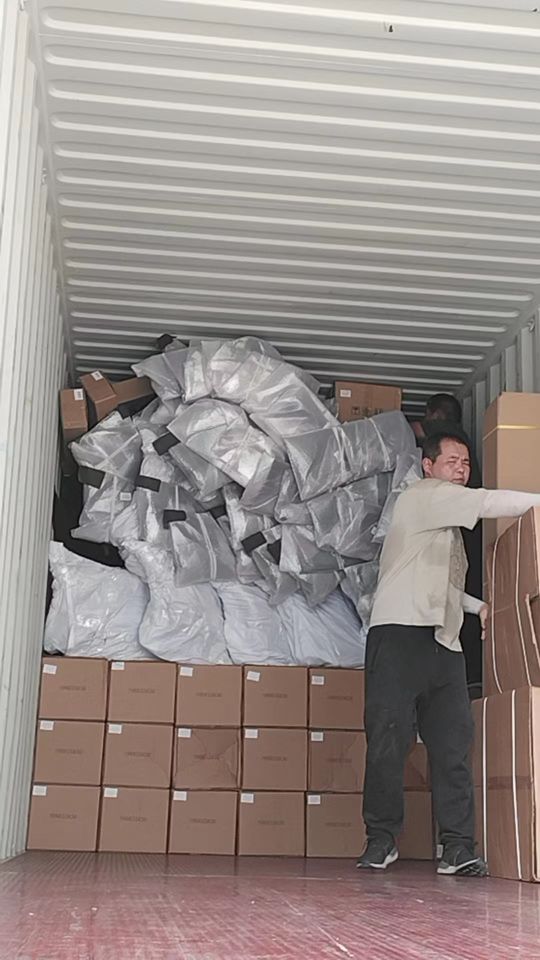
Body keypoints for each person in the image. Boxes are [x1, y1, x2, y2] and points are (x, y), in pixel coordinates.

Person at [357, 431, 540, 877]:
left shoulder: (446, 529)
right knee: (388, 740)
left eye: (466, 463)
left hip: (443, 643)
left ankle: (457, 847)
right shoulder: (422, 496)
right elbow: (489, 502)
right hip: (399, 636)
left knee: (453, 746)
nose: (461, 469)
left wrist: (479, 608)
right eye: (452, 461)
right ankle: (381, 839)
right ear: (428, 466)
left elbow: (443, 586)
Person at [414, 394, 482, 689]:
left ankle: (468, 677)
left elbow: (412, 429)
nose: (459, 467)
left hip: (462, 534)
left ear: (434, 414)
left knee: (456, 595)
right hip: (470, 535)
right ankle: (471, 676)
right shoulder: (462, 443)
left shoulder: (448, 439)